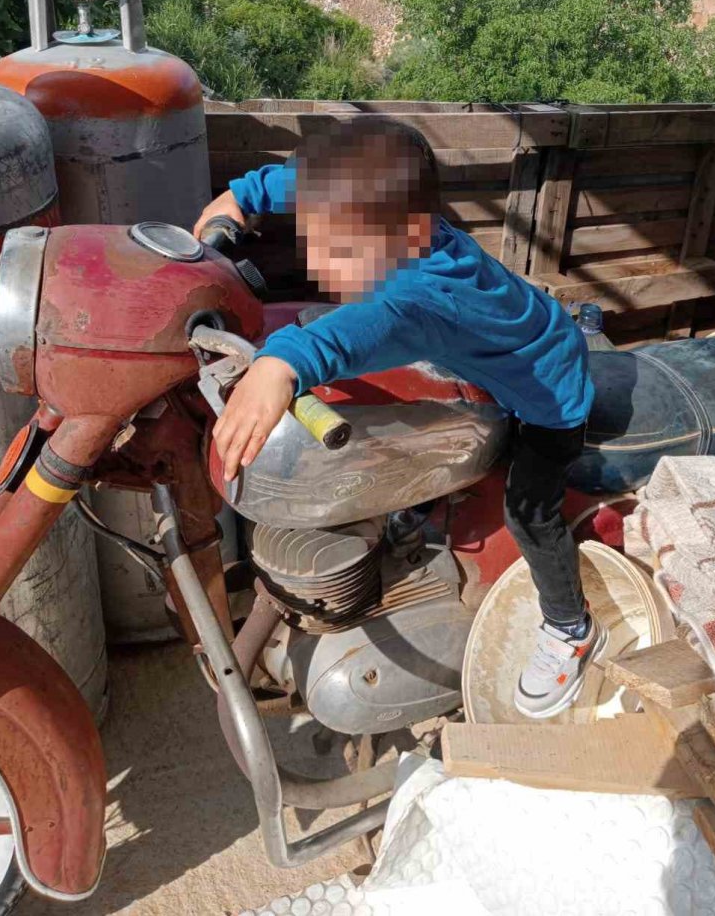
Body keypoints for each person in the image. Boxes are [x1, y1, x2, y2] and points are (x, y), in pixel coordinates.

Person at [194, 119, 604, 719]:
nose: (323, 267)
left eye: (341, 250)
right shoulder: (385, 212)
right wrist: (242, 198)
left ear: (409, 231)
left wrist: (281, 364)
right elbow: (298, 184)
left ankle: (569, 626)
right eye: (316, 241)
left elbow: (367, 328)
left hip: (550, 389)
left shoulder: (422, 296)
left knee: (529, 510)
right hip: (496, 351)